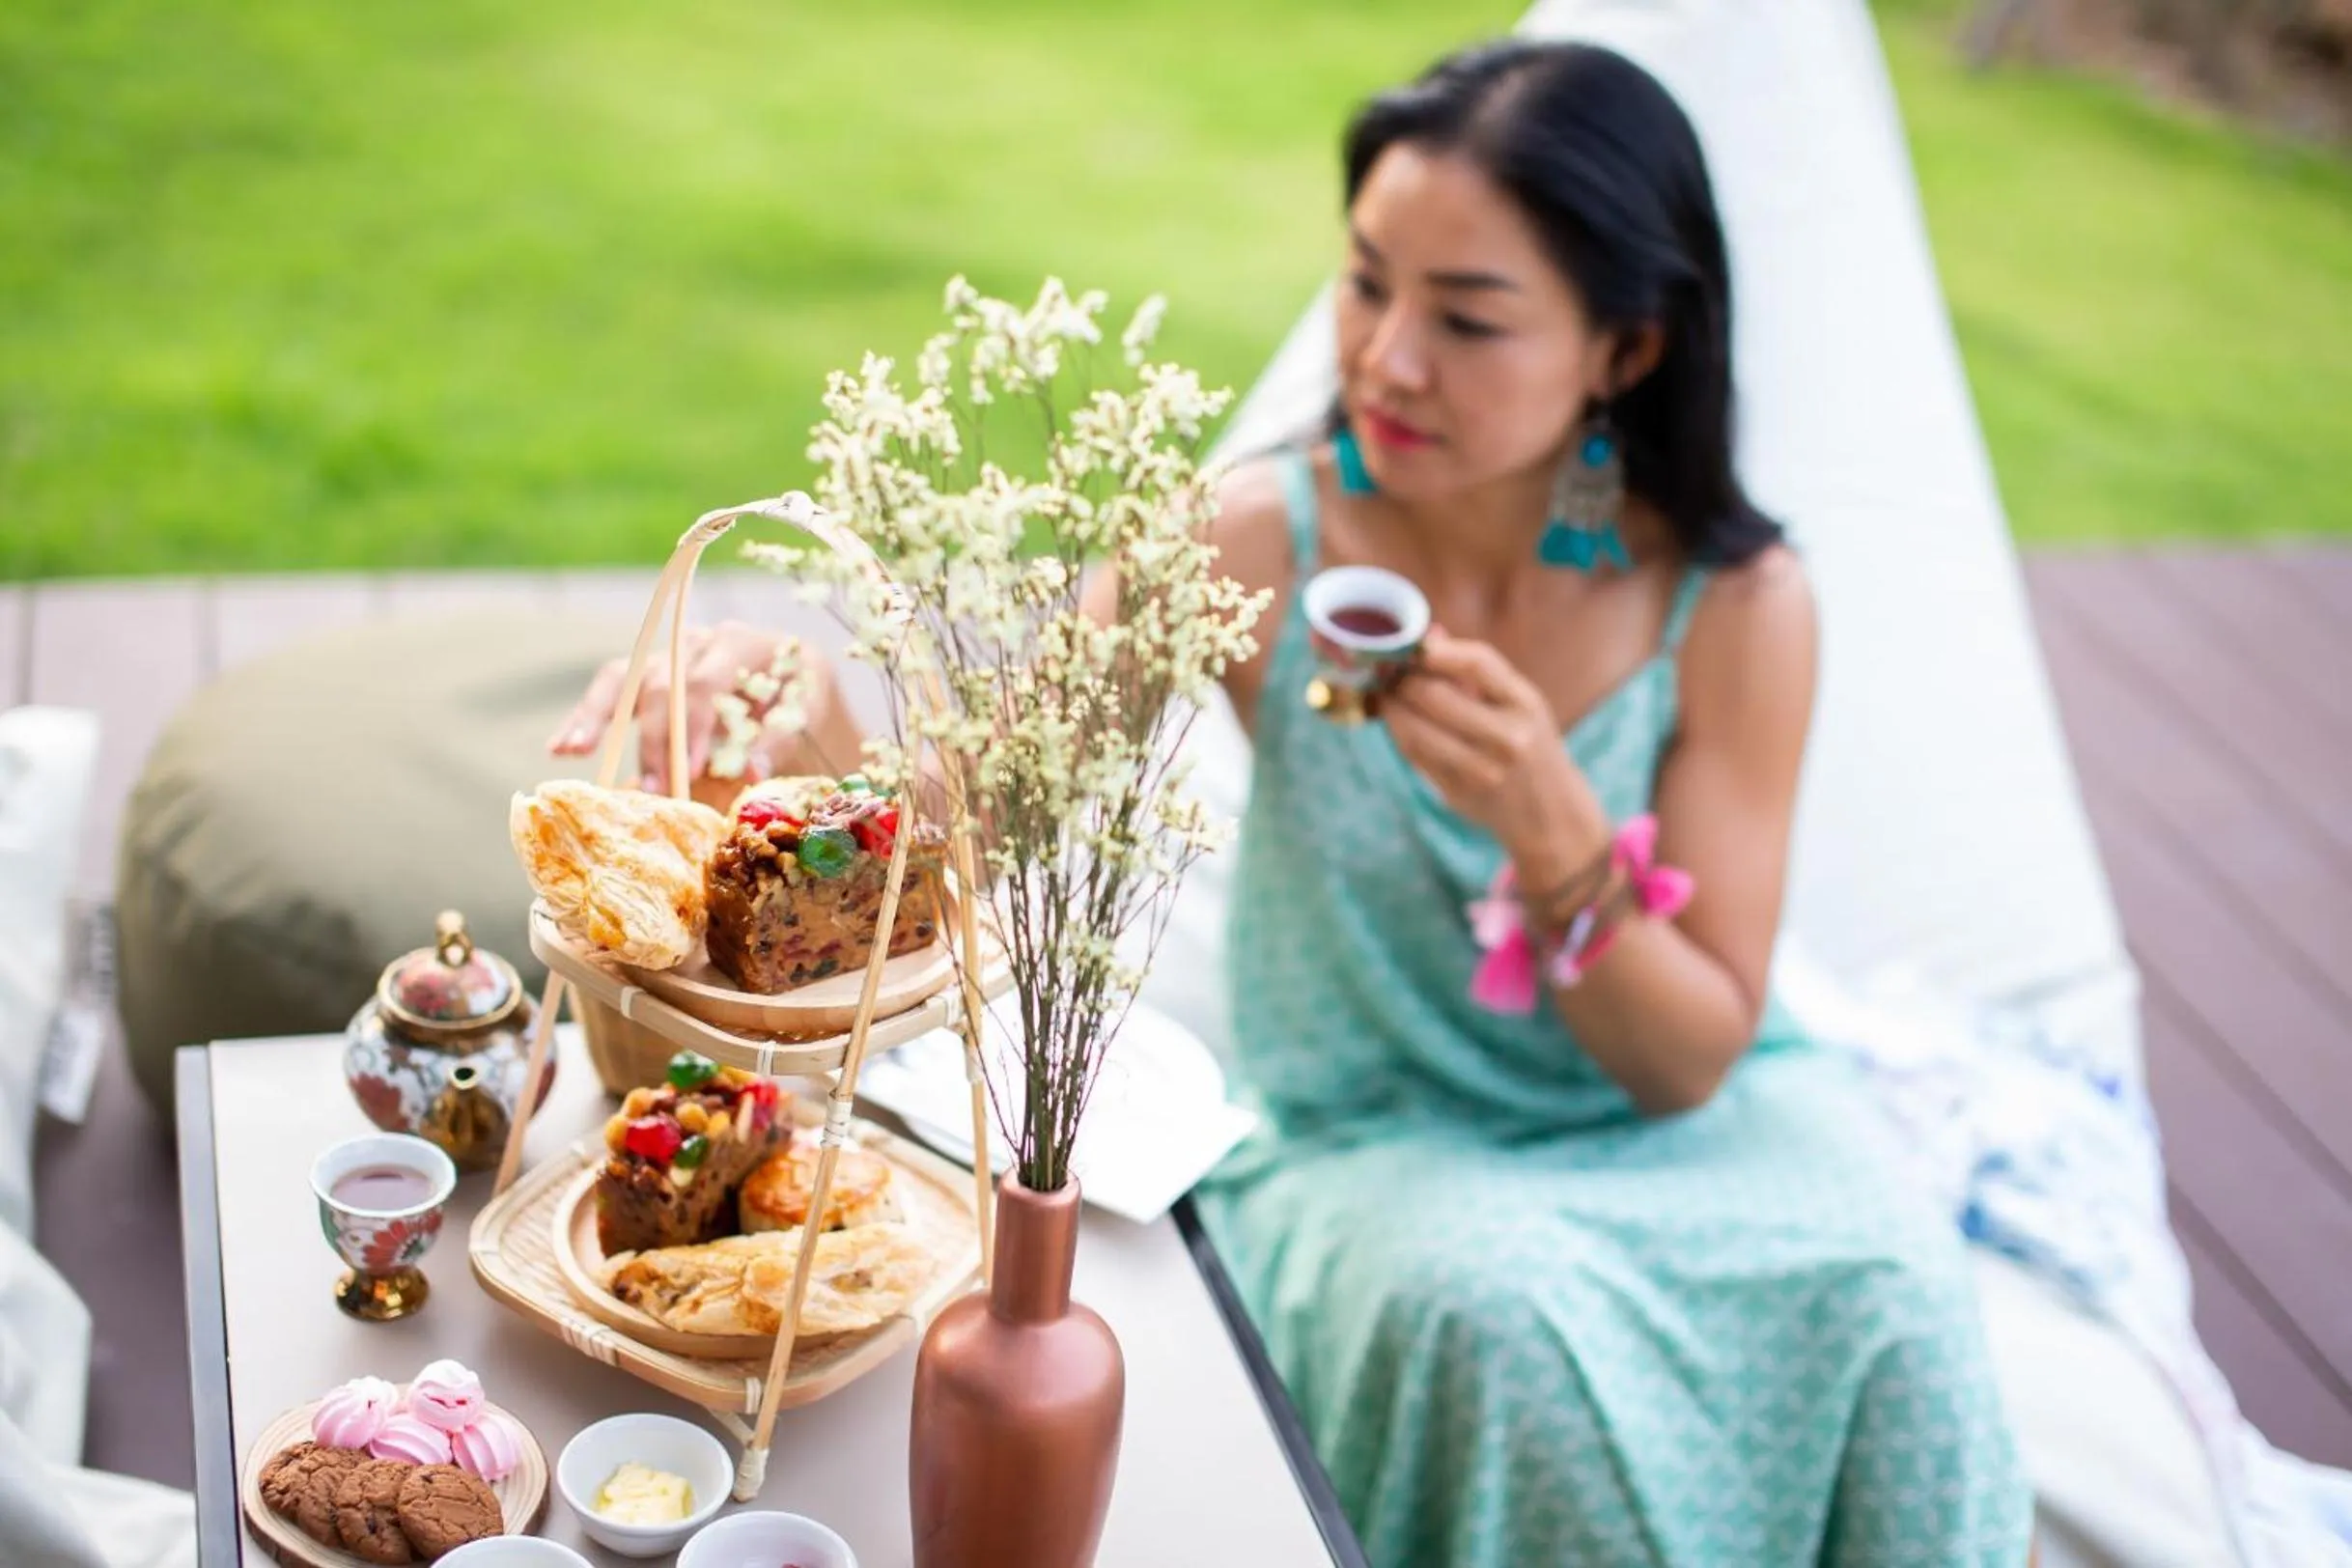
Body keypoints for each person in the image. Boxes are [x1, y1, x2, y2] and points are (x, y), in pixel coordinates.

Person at [553, 41, 2030, 1565]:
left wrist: (1557, 835)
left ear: (1627, 350)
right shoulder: (1259, 538)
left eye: (1467, 318)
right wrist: (796, 728)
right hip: (1382, 1145)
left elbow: (1690, 1062)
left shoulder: (1733, 605)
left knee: (1901, 1294)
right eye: (1368, 282)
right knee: (1491, 1316)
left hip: (1697, 1135)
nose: (1386, 357)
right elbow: (968, 819)